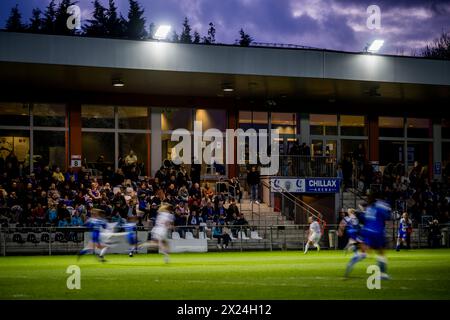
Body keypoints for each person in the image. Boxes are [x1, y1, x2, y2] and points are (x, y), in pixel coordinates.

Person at [345, 193, 391, 279]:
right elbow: (387, 216)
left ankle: (353, 260)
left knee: (364, 252)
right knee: (381, 252)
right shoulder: (381, 205)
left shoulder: (369, 208)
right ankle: (383, 274)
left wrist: (359, 214)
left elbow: (364, 218)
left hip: (366, 231)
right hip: (377, 232)